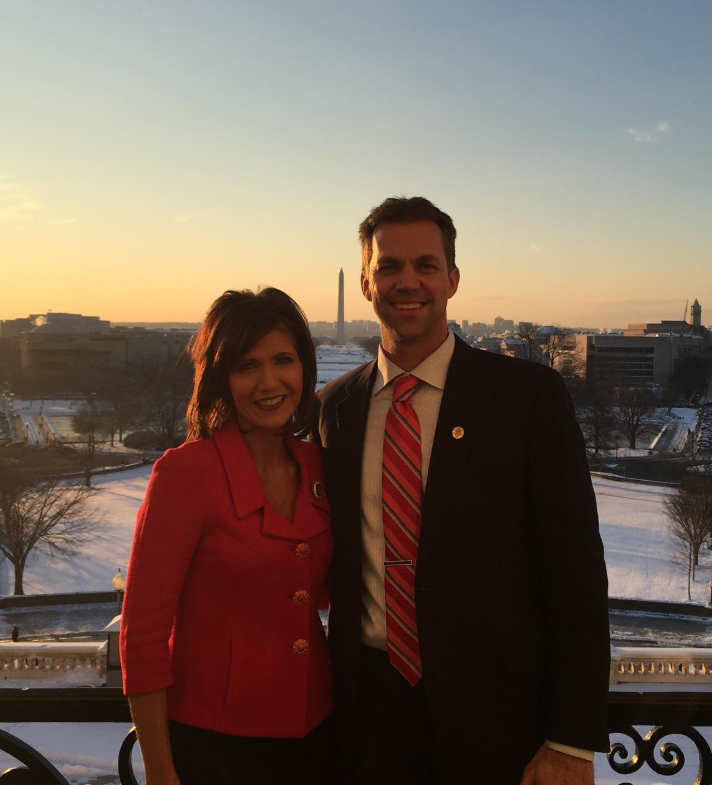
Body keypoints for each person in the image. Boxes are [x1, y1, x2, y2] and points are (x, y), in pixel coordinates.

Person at [313, 197, 610, 785]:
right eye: (390, 266)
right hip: (369, 717)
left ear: (452, 279)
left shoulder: (526, 397)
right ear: (366, 283)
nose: (408, 282)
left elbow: (574, 571)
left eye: (425, 265)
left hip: (500, 719)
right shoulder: (335, 409)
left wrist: (571, 738)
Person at [120, 288, 334, 785]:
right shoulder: (185, 474)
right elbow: (143, 637)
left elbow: (322, 587)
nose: (269, 382)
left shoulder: (317, 464)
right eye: (246, 366)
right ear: (221, 379)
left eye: (284, 360)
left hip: (319, 734)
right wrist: (159, 768)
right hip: (216, 748)